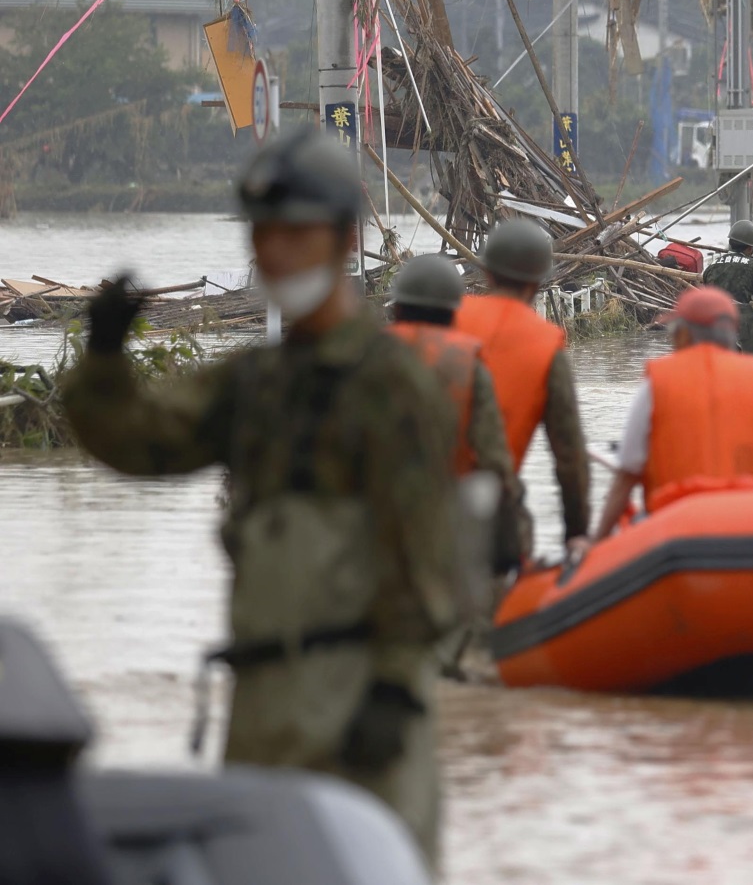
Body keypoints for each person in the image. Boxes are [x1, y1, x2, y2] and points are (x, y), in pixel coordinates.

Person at [63, 130, 458, 862]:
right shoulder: (255, 382)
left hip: (360, 691)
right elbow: (142, 443)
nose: (275, 253)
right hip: (260, 695)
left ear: (344, 240)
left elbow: (426, 551)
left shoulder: (390, 384)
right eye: (263, 234)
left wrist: (397, 688)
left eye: (296, 233)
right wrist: (105, 358)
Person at [455, 219, 591, 562]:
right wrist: (577, 534)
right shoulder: (546, 343)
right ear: (540, 281)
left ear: (486, 274)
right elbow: (570, 457)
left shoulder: (447, 315)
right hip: (487, 510)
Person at [595, 286, 753, 531]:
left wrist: (596, 542)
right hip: (741, 522)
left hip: (674, 526)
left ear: (682, 335)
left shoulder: (658, 380)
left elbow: (627, 472)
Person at [387, 255, 527, 575]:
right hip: (445, 530)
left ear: (396, 310)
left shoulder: (362, 355)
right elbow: (495, 461)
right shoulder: (468, 363)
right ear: (454, 313)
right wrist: (509, 550)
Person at [699, 218, 753, 311]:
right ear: (751, 248)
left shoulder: (712, 266)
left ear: (730, 242)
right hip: (741, 320)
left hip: (714, 319)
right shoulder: (752, 265)